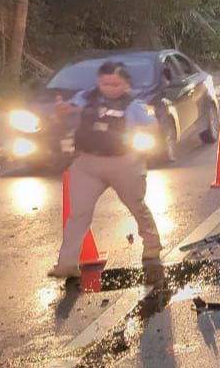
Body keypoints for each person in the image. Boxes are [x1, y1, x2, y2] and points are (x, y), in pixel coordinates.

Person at [48, 61, 163, 281]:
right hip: (88, 162)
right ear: (98, 82)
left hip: (125, 162)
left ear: (126, 85)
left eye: (115, 84)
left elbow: (153, 125)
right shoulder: (85, 97)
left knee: (137, 206)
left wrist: (144, 133)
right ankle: (67, 264)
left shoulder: (135, 106)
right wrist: (60, 112)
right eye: (105, 83)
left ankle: (152, 246)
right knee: (78, 213)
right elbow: (65, 112)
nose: (110, 87)